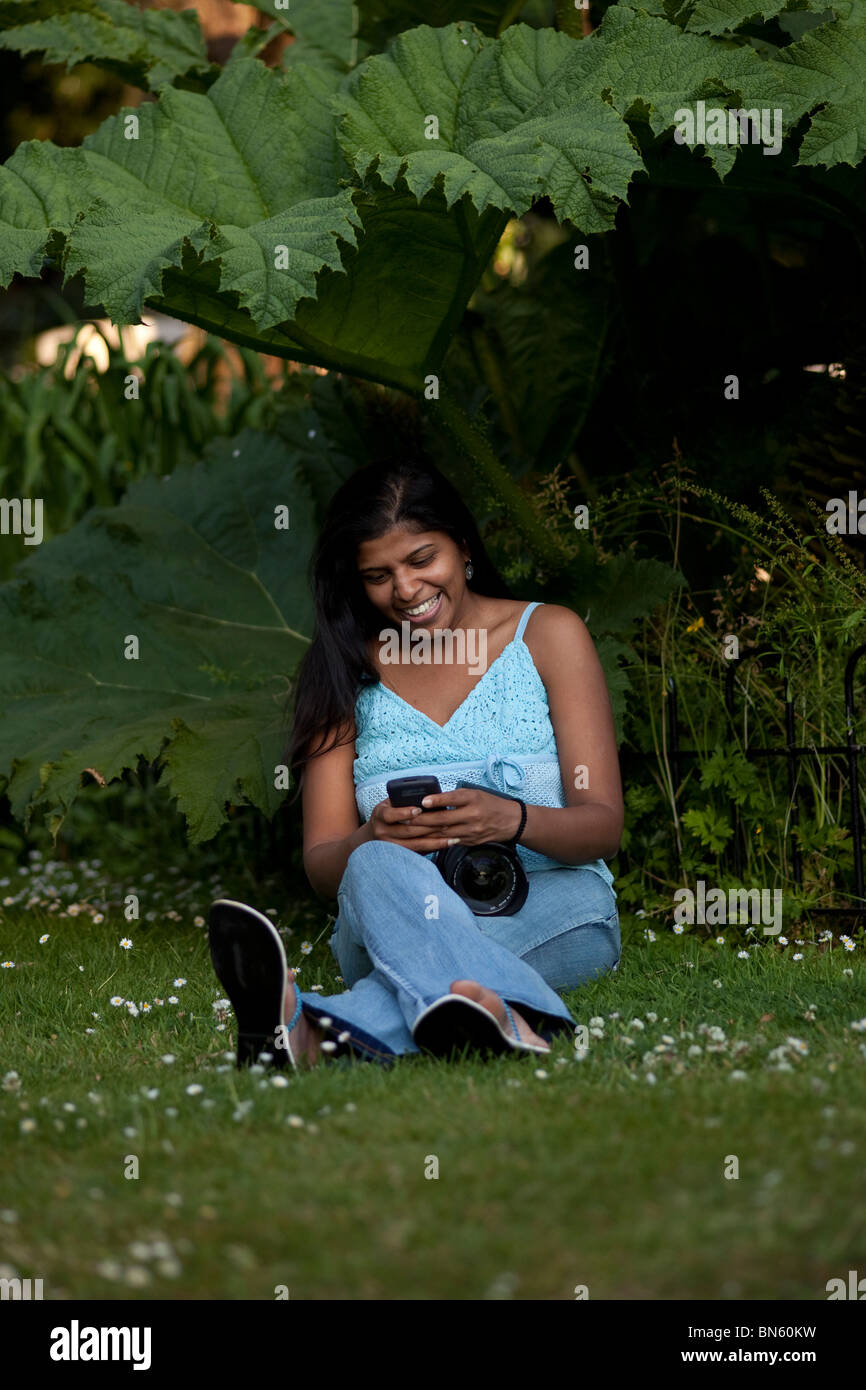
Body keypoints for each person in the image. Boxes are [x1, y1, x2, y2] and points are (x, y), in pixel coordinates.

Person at [208, 459, 624, 1070]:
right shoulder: (345, 669)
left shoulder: (549, 634)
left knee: (428, 960)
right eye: (378, 575)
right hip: (391, 918)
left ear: (462, 545)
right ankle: (509, 1014)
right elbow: (325, 866)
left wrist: (510, 819)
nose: (404, 590)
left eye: (422, 560)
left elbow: (602, 827)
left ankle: (312, 1030)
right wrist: (374, 834)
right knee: (372, 861)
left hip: (551, 905)